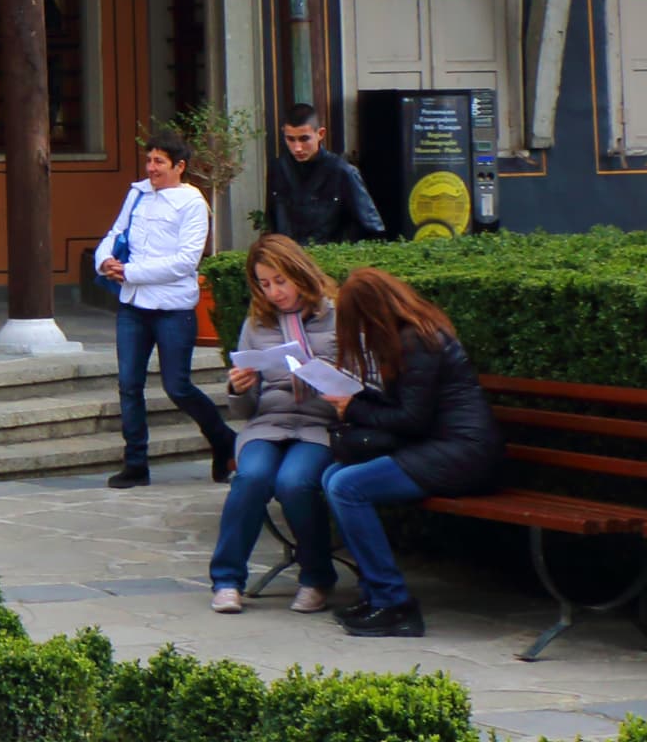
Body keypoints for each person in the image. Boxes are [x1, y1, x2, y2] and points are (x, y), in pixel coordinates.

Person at [315, 265, 504, 640]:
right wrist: (358, 398)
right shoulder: (411, 335)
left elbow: (412, 418)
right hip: (444, 447)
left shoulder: (419, 341)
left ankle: (393, 603)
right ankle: (374, 593)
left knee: (347, 486)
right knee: (331, 477)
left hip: (462, 453)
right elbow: (407, 407)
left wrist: (351, 408)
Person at [210, 234, 353, 615]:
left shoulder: (337, 314)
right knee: (251, 476)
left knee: (295, 482)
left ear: (299, 273)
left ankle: (316, 577)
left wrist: (340, 390)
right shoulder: (257, 322)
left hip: (319, 425)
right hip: (267, 422)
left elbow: (363, 382)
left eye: (279, 281)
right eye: (263, 283)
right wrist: (239, 388)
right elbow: (244, 411)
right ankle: (226, 580)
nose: (273, 291)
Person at [96, 132, 234, 490]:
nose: (151, 168)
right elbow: (116, 232)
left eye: (159, 162)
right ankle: (136, 463)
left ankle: (223, 440)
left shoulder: (192, 203)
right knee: (129, 385)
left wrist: (131, 272)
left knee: (178, 385)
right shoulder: (138, 193)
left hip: (173, 308)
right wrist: (105, 261)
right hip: (132, 306)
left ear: (179, 166)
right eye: (149, 161)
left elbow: (186, 262)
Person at [266, 105, 386, 246]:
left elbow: (372, 228)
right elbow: (272, 219)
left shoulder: (342, 171)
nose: (297, 147)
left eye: (304, 139)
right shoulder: (278, 168)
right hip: (289, 257)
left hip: (330, 259)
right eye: (290, 139)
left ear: (320, 134)